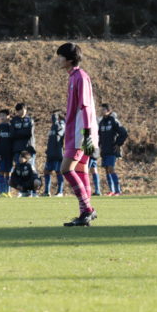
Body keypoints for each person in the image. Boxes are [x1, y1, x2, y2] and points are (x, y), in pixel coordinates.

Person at [56, 42, 99, 226]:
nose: (58, 59)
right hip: (76, 132)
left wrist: (87, 137)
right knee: (81, 170)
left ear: (69, 59)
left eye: (60, 56)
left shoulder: (80, 77)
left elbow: (86, 107)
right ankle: (84, 215)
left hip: (80, 133)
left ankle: (88, 209)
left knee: (66, 169)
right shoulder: (74, 77)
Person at [98, 103, 128, 196]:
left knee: (111, 168)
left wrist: (118, 144)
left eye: (103, 109)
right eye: (101, 109)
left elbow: (124, 133)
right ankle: (112, 190)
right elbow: (99, 135)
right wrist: (99, 145)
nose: (101, 111)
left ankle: (118, 190)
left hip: (112, 150)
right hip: (104, 150)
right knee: (107, 170)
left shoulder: (114, 121)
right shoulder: (101, 122)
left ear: (109, 111)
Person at [43, 110, 65, 197]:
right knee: (46, 171)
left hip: (57, 153)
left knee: (58, 172)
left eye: (54, 116)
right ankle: (46, 191)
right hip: (50, 153)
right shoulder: (52, 126)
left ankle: (60, 192)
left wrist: (56, 122)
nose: (52, 118)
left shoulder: (62, 125)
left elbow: (60, 134)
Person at [0, 109, 14, 197]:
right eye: (1, 115)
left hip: (10, 154)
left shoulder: (11, 127)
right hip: (1, 154)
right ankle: (2, 192)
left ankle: (8, 191)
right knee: (1, 172)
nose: (2, 117)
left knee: (8, 172)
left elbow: (14, 141)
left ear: (8, 116)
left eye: (4, 115)